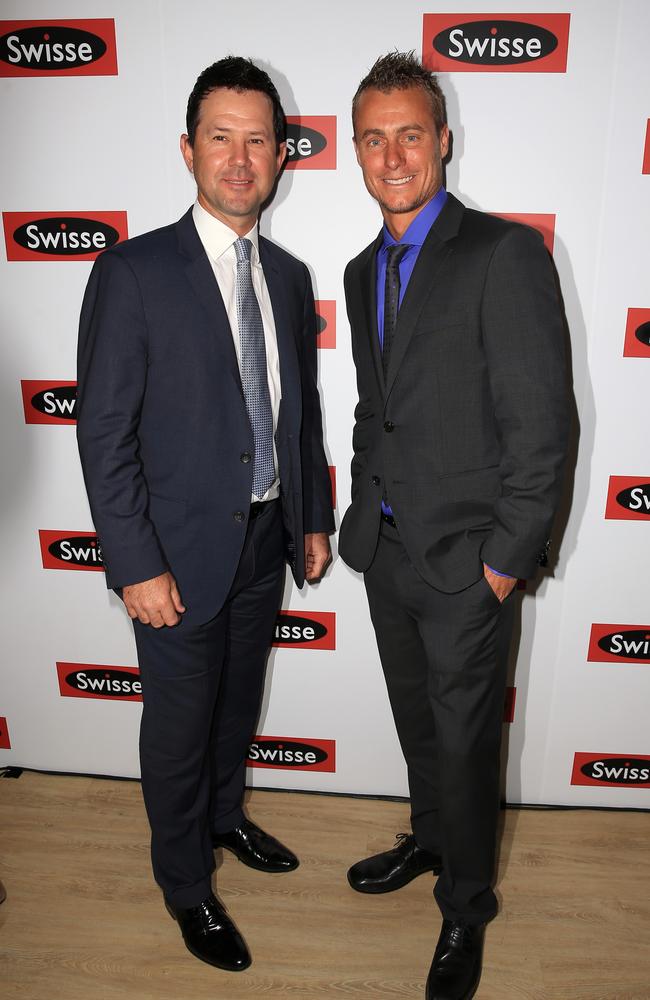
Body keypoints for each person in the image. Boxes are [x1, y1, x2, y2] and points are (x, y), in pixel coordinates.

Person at [76, 56, 333, 972]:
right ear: (189, 150)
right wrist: (134, 562)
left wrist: (308, 517)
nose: (239, 157)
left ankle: (226, 823)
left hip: (264, 537)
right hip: (175, 554)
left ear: (280, 156)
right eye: (220, 137)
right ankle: (185, 885)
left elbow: (293, 406)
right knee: (180, 727)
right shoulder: (133, 271)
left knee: (235, 709)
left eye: (257, 139)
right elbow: (104, 432)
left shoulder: (292, 276)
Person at [339, 52, 568, 1000]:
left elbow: (543, 424)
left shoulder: (501, 252)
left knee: (468, 741)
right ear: (355, 150)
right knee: (417, 726)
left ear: (443, 140)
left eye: (410, 134)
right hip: (387, 550)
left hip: (469, 562)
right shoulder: (362, 271)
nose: (392, 154)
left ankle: (466, 907)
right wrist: (357, 517)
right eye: (373, 137)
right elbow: (373, 409)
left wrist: (504, 564)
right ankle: (432, 843)